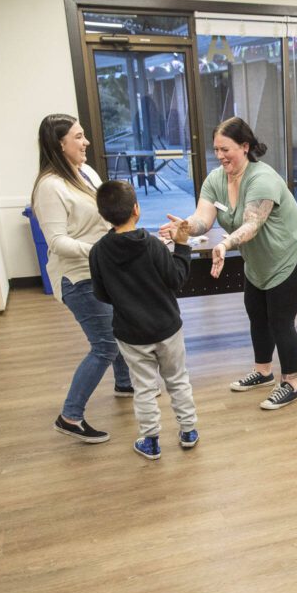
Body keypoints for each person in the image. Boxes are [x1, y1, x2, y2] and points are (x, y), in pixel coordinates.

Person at [160, 117, 297, 410]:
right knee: (257, 313)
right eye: (216, 150)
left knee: (280, 319)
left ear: (245, 147)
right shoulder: (216, 179)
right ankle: (263, 372)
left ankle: (291, 383)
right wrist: (185, 227)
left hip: (294, 254)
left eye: (226, 149)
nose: (220, 156)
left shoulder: (262, 178)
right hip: (260, 261)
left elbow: (251, 225)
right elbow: (203, 219)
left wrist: (224, 244)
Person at [32, 113, 134, 444]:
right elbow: (57, 243)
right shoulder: (50, 186)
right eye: (78, 137)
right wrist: (99, 251)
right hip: (77, 278)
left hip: (102, 269)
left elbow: (104, 215)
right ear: (59, 144)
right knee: (103, 345)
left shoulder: (86, 172)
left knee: (116, 327)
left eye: (84, 135)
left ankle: (124, 383)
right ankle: (70, 416)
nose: (86, 142)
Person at [89, 180, 198, 461]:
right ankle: (188, 432)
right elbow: (176, 279)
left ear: (103, 215)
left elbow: (101, 294)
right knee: (178, 380)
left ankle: (151, 442)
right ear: (136, 209)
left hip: (131, 333)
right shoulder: (152, 245)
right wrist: (182, 246)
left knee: (144, 388)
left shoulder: (98, 252)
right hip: (167, 328)